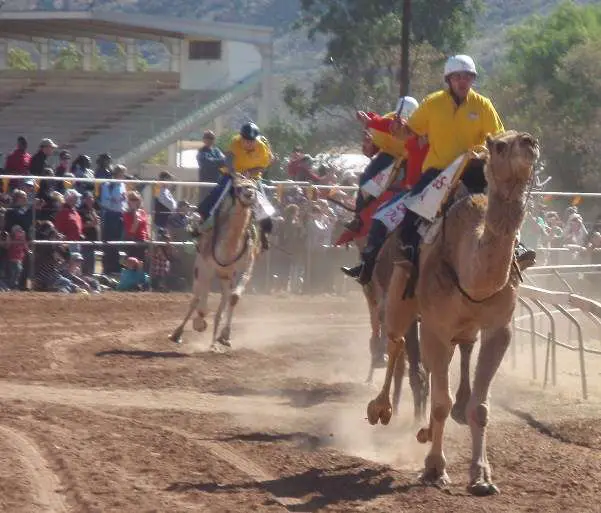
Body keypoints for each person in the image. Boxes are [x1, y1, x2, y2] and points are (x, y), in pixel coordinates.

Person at [343, 54, 536, 285]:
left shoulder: (483, 105)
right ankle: (409, 257)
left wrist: (490, 152)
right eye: (458, 77)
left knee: (502, 206)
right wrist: (397, 129)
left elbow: (498, 138)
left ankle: (516, 248)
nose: (463, 81)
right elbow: (409, 133)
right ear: (449, 79)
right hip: (437, 172)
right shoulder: (432, 103)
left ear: (473, 80)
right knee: (411, 212)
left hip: (472, 168)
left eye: (467, 77)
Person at [345, 96, 420, 233]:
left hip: (410, 160)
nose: (401, 125)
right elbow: (373, 149)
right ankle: (358, 217)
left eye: (405, 120)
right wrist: (369, 146)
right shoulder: (387, 121)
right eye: (399, 119)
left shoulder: (420, 125)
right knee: (365, 178)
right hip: (389, 156)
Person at [196, 121, 274, 251]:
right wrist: (235, 174)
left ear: (256, 139)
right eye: (245, 140)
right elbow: (229, 161)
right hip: (233, 175)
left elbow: (262, 167)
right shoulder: (235, 143)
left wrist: (249, 173)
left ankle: (264, 232)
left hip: (253, 178)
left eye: (251, 140)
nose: (248, 143)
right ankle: (201, 216)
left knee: (262, 200)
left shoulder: (262, 147)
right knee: (220, 191)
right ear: (241, 138)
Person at [196, 130, 226, 203]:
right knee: (204, 204)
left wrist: (214, 161)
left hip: (217, 183)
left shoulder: (216, 150)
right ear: (204, 139)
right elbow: (207, 163)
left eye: (212, 138)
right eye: (207, 138)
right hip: (206, 185)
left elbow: (225, 161)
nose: (210, 140)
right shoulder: (201, 152)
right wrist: (219, 162)